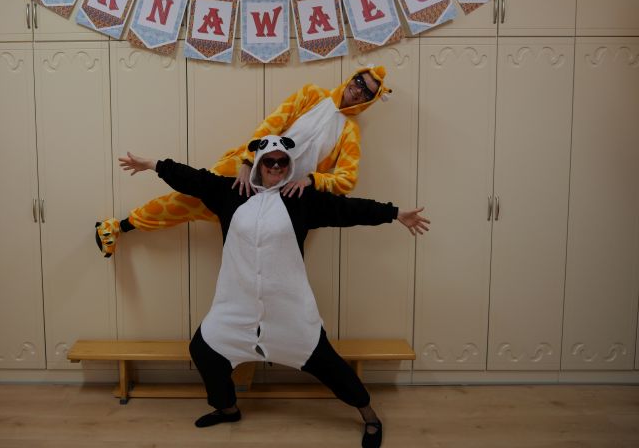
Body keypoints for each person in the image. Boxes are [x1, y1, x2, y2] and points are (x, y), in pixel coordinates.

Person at [118, 134, 430, 448]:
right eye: (270, 161)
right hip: (236, 308)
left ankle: (370, 416)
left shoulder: (300, 199)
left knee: (328, 364)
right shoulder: (232, 192)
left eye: (282, 162)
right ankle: (227, 408)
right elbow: (192, 179)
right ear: (258, 164)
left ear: (289, 165)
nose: (276, 166)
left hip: (289, 311)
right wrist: (152, 164)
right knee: (204, 349)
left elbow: (348, 209)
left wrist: (394, 213)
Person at [96, 66, 393, 256]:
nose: (358, 89)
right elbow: (271, 125)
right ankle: (119, 226)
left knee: (265, 256)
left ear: (369, 100)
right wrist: (248, 162)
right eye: (359, 80)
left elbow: (346, 180)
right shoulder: (311, 94)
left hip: (283, 201)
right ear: (351, 77)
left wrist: (312, 180)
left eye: (367, 90)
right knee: (185, 201)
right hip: (244, 174)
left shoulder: (350, 132)